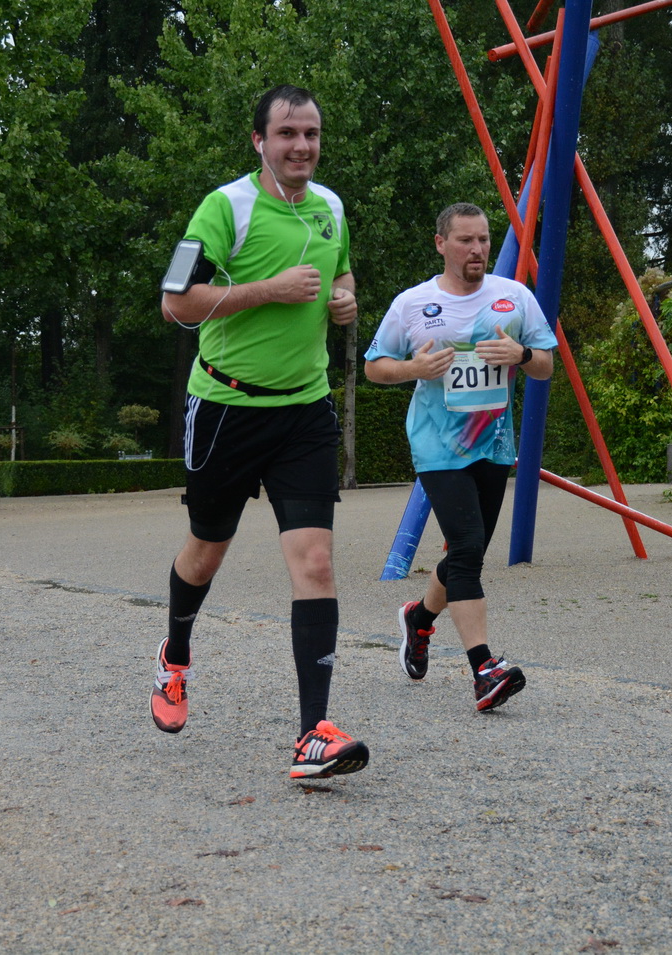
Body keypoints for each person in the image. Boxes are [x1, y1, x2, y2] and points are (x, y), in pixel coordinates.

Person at [152, 84, 368, 780]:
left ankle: (314, 733)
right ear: (259, 141)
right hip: (225, 407)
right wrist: (266, 289)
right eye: (287, 134)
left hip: (303, 408)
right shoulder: (226, 207)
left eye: (311, 133)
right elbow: (175, 302)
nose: (301, 146)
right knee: (206, 551)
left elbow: (344, 281)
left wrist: (344, 304)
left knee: (316, 563)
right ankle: (175, 658)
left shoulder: (332, 206)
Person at [364, 202, 557, 711]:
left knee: (464, 554)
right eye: (466, 240)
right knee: (469, 547)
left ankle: (419, 620)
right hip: (437, 446)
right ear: (441, 244)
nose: (477, 250)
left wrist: (519, 355)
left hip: (494, 445)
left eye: (484, 240)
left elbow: (545, 366)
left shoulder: (514, 297)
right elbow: (374, 367)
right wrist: (414, 368)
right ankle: (484, 669)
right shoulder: (413, 304)